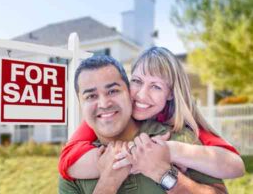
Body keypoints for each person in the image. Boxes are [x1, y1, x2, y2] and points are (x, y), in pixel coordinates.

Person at [58, 47, 245, 181]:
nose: (141, 94)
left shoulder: (180, 124)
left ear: (171, 93)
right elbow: (68, 158)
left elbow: (235, 166)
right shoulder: (113, 114)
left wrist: (170, 150)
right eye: (137, 81)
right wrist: (134, 155)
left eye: (155, 86)